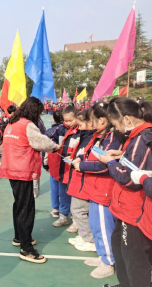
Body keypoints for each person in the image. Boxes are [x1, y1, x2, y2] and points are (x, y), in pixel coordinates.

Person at [0, 97, 59, 264]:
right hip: (22, 169)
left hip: (12, 168)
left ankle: (19, 237)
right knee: (26, 208)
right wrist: (55, 147)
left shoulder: (13, 122)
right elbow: (41, 142)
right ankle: (26, 249)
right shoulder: (28, 125)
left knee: (19, 204)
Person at [100, 98, 152, 287]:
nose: (117, 129)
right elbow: (137, 165)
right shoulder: (137, 138)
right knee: (121, 251)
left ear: (127, 119)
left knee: (135, 260)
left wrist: (111, 163)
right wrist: (122, 157)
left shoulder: (143, 138)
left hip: (135, 211)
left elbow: (131, 179)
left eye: (115, 124)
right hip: (126, 208)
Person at [72, 102, 123, 279]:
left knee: (103, 227)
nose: (90, 122)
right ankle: (103, 255)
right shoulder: (101, 135)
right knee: (95, 225)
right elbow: (90, 152)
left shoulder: (112, 138)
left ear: (102, 120)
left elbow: (106, 165)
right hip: (94, 188)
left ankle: (108, 262)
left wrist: (82, 165)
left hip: (104, 189)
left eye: (92, 119)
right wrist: (80, 158)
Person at [65, 109, 96, 237]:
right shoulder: (85, 136)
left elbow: (96, 162)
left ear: (90, 123)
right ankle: (84, 235)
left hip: (85, 180)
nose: (79, 128)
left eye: (80, 125)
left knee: (79, 210)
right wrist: (76, 159)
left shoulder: (94, 138)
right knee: (78, 210)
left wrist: (80, 163)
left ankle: (88, 238)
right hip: (78, 178)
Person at [49, 105, 80, 227]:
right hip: (63, 169)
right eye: (65, 120)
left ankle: (76, 220)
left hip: (76, 168)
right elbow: (48, 139)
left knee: (76, 195)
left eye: (70, 120)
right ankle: (64, 216)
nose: (68, 123)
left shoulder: (82, 131)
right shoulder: (59, 129)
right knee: (63, 193)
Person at [43, 110, 63, 218]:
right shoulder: (71, 130)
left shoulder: (50, 132)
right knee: (66, 186)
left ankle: (56, 209)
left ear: (53, 119)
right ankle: (66, 210)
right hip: (68, 160)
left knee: (55, 185)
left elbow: (45, 149)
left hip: (54, 160)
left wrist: (45, 164)